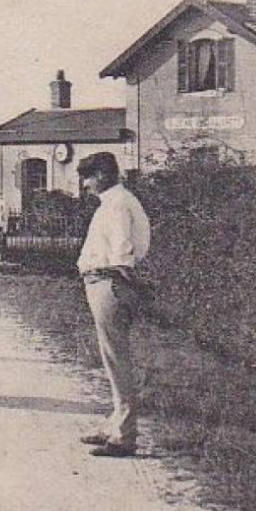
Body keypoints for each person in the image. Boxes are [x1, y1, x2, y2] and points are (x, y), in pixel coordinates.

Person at [76, 152, 152, 457]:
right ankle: (115, 425)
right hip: (103, 282)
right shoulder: (113, 202)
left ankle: (124, 435)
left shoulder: (118, 204)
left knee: (117, 358)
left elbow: (122, 249)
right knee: (112, 357)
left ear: (103, 176)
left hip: (110, 283)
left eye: (88, 177)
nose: (84, 185)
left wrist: (124, 277)